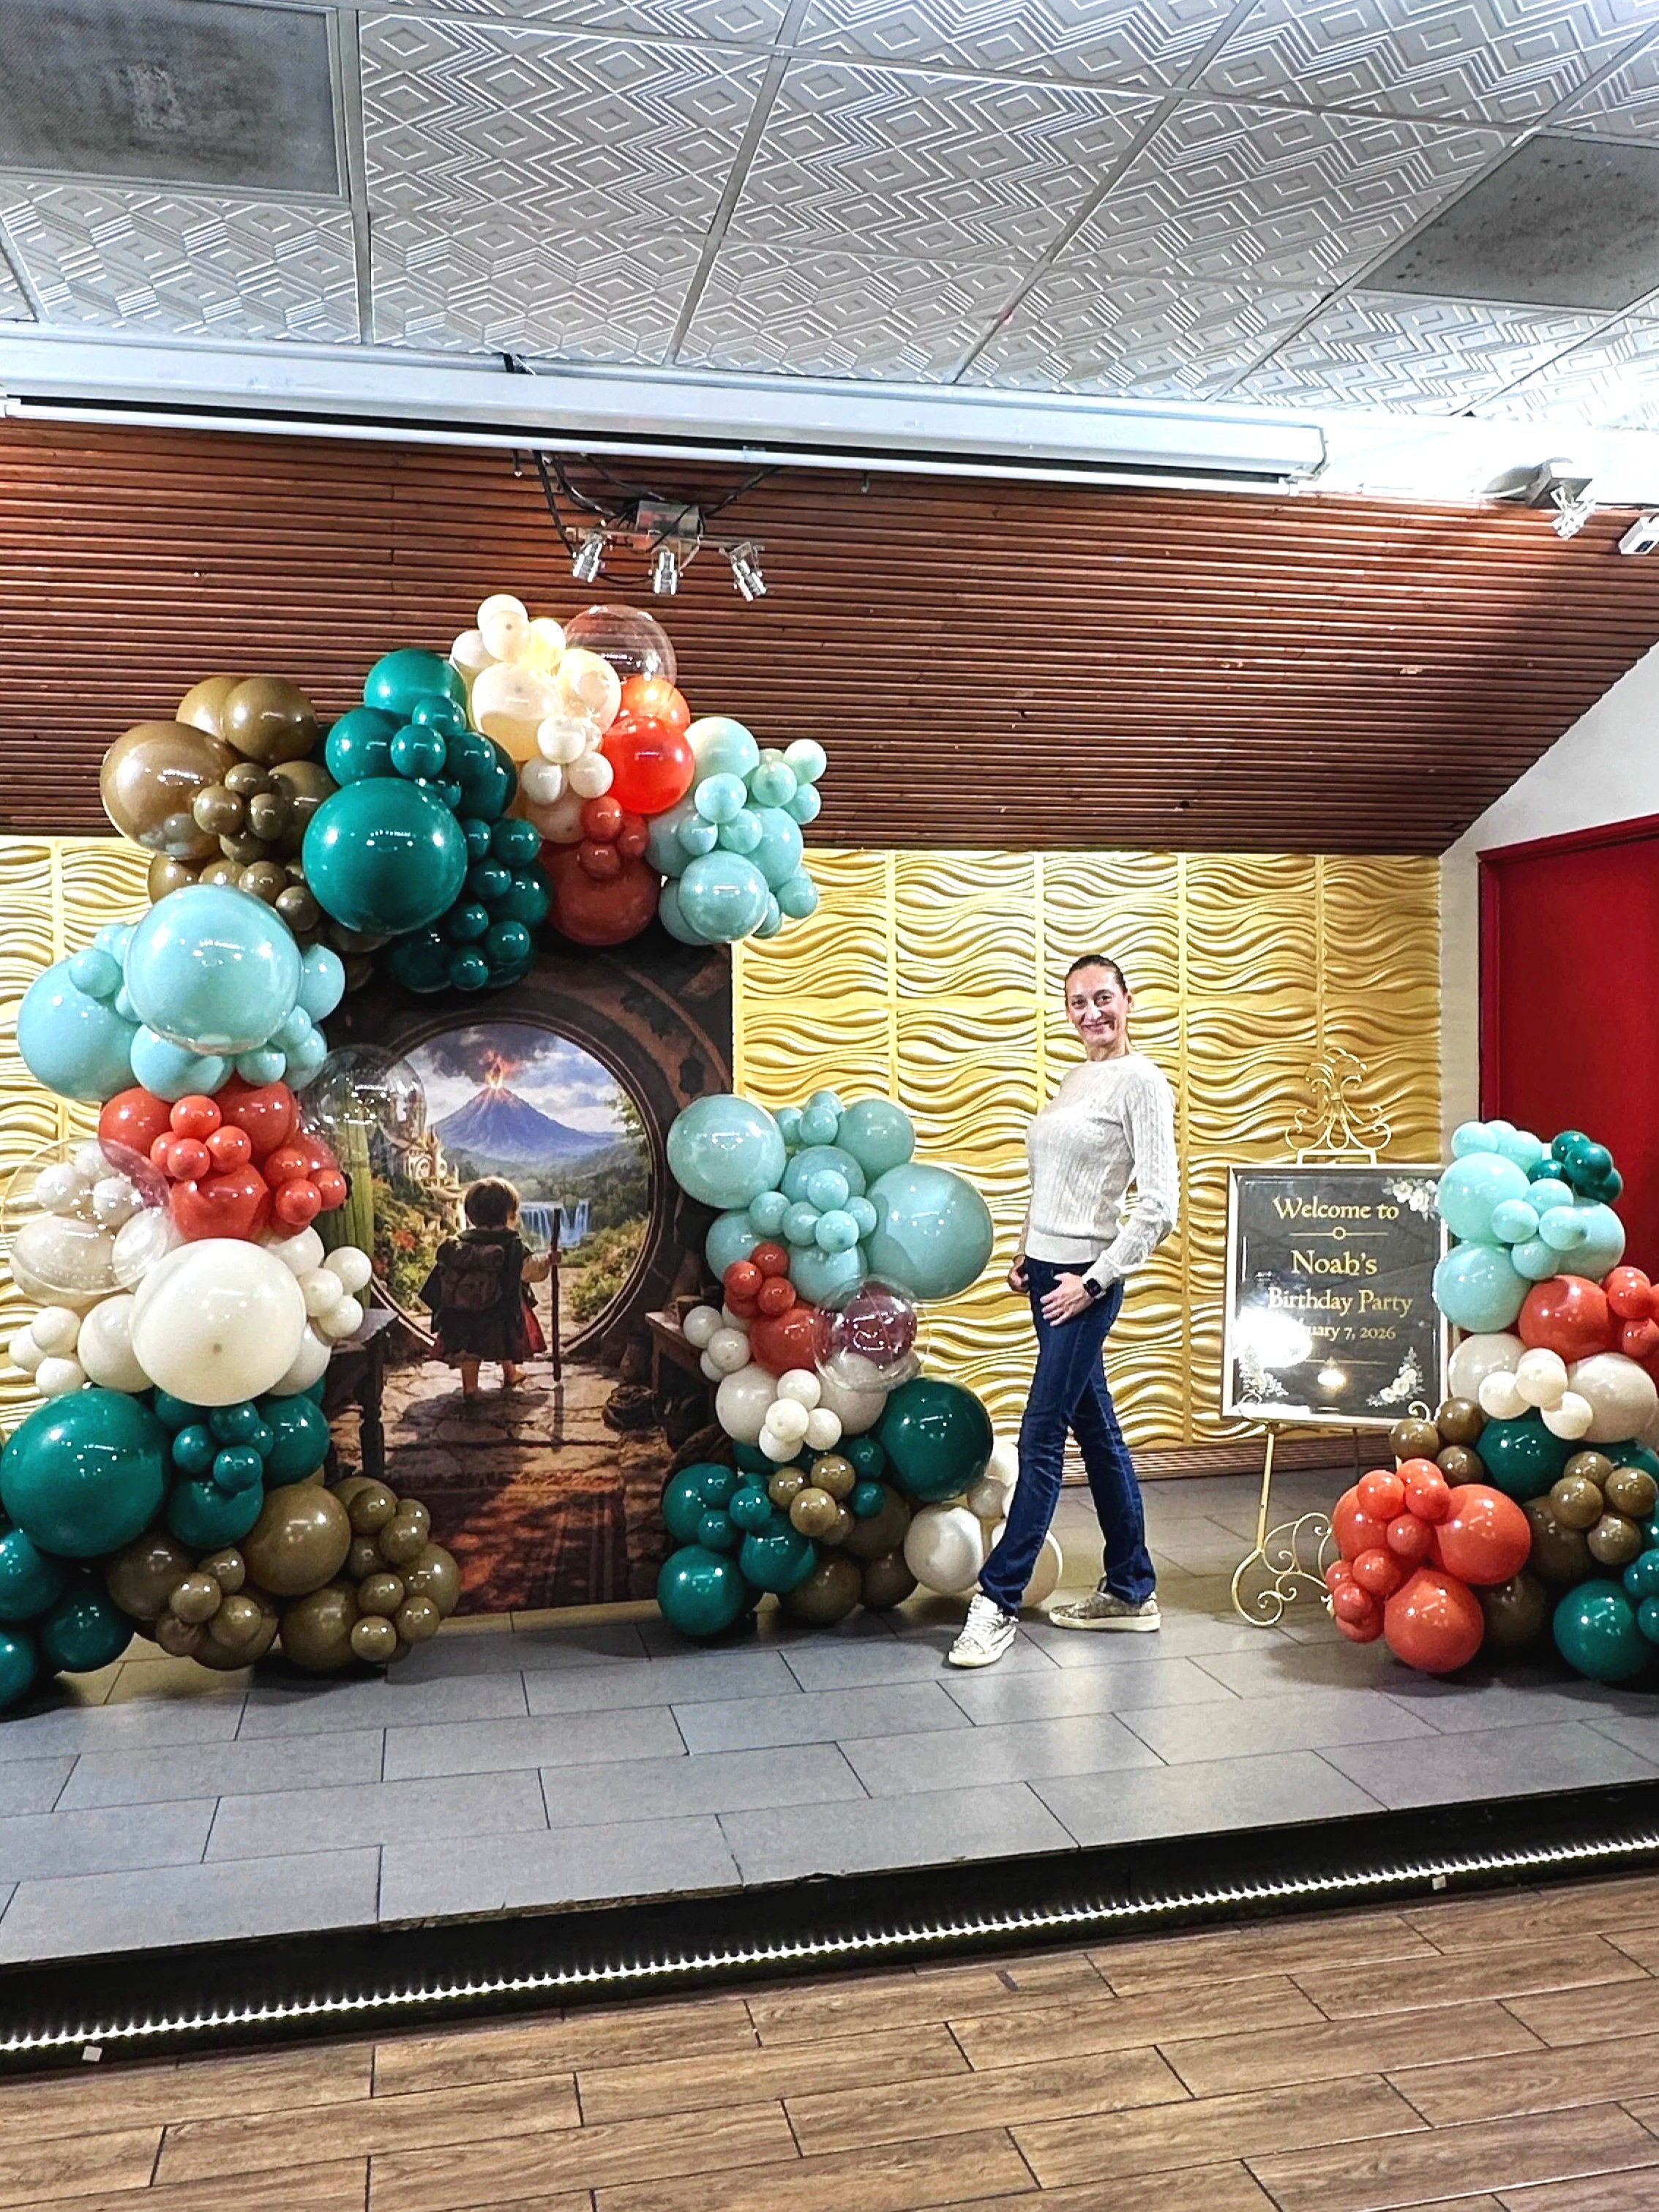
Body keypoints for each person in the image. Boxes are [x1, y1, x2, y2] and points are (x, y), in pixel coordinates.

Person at [948, 953, 1180, 1669]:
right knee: (1095, 1428)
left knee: (1040, 1433)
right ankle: (1131, 1588)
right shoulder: (1079, 1074)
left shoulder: (1141, 1080)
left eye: (1102, 998)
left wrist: (1094, 1278)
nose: (1091, 1013)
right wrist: (1026, 1249)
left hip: (1083, 1279)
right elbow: (1057, 1178)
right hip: (1048, 1271)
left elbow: (1159, 1205)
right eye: (1077, 1002)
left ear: (1127, 999)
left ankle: (996, 1600)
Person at [420, 1177, 552, 1402]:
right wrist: (549, 1261)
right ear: (510, 1214)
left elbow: (439, 1279)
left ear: (471, 1215)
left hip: (463, 1314)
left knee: (469, 1351)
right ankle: (510, 1373)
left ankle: (470, 1388)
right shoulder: (512, 1245)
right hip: (501, 1312)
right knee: (505, 1342)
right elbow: (531, 1271)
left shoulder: (460, 1243)